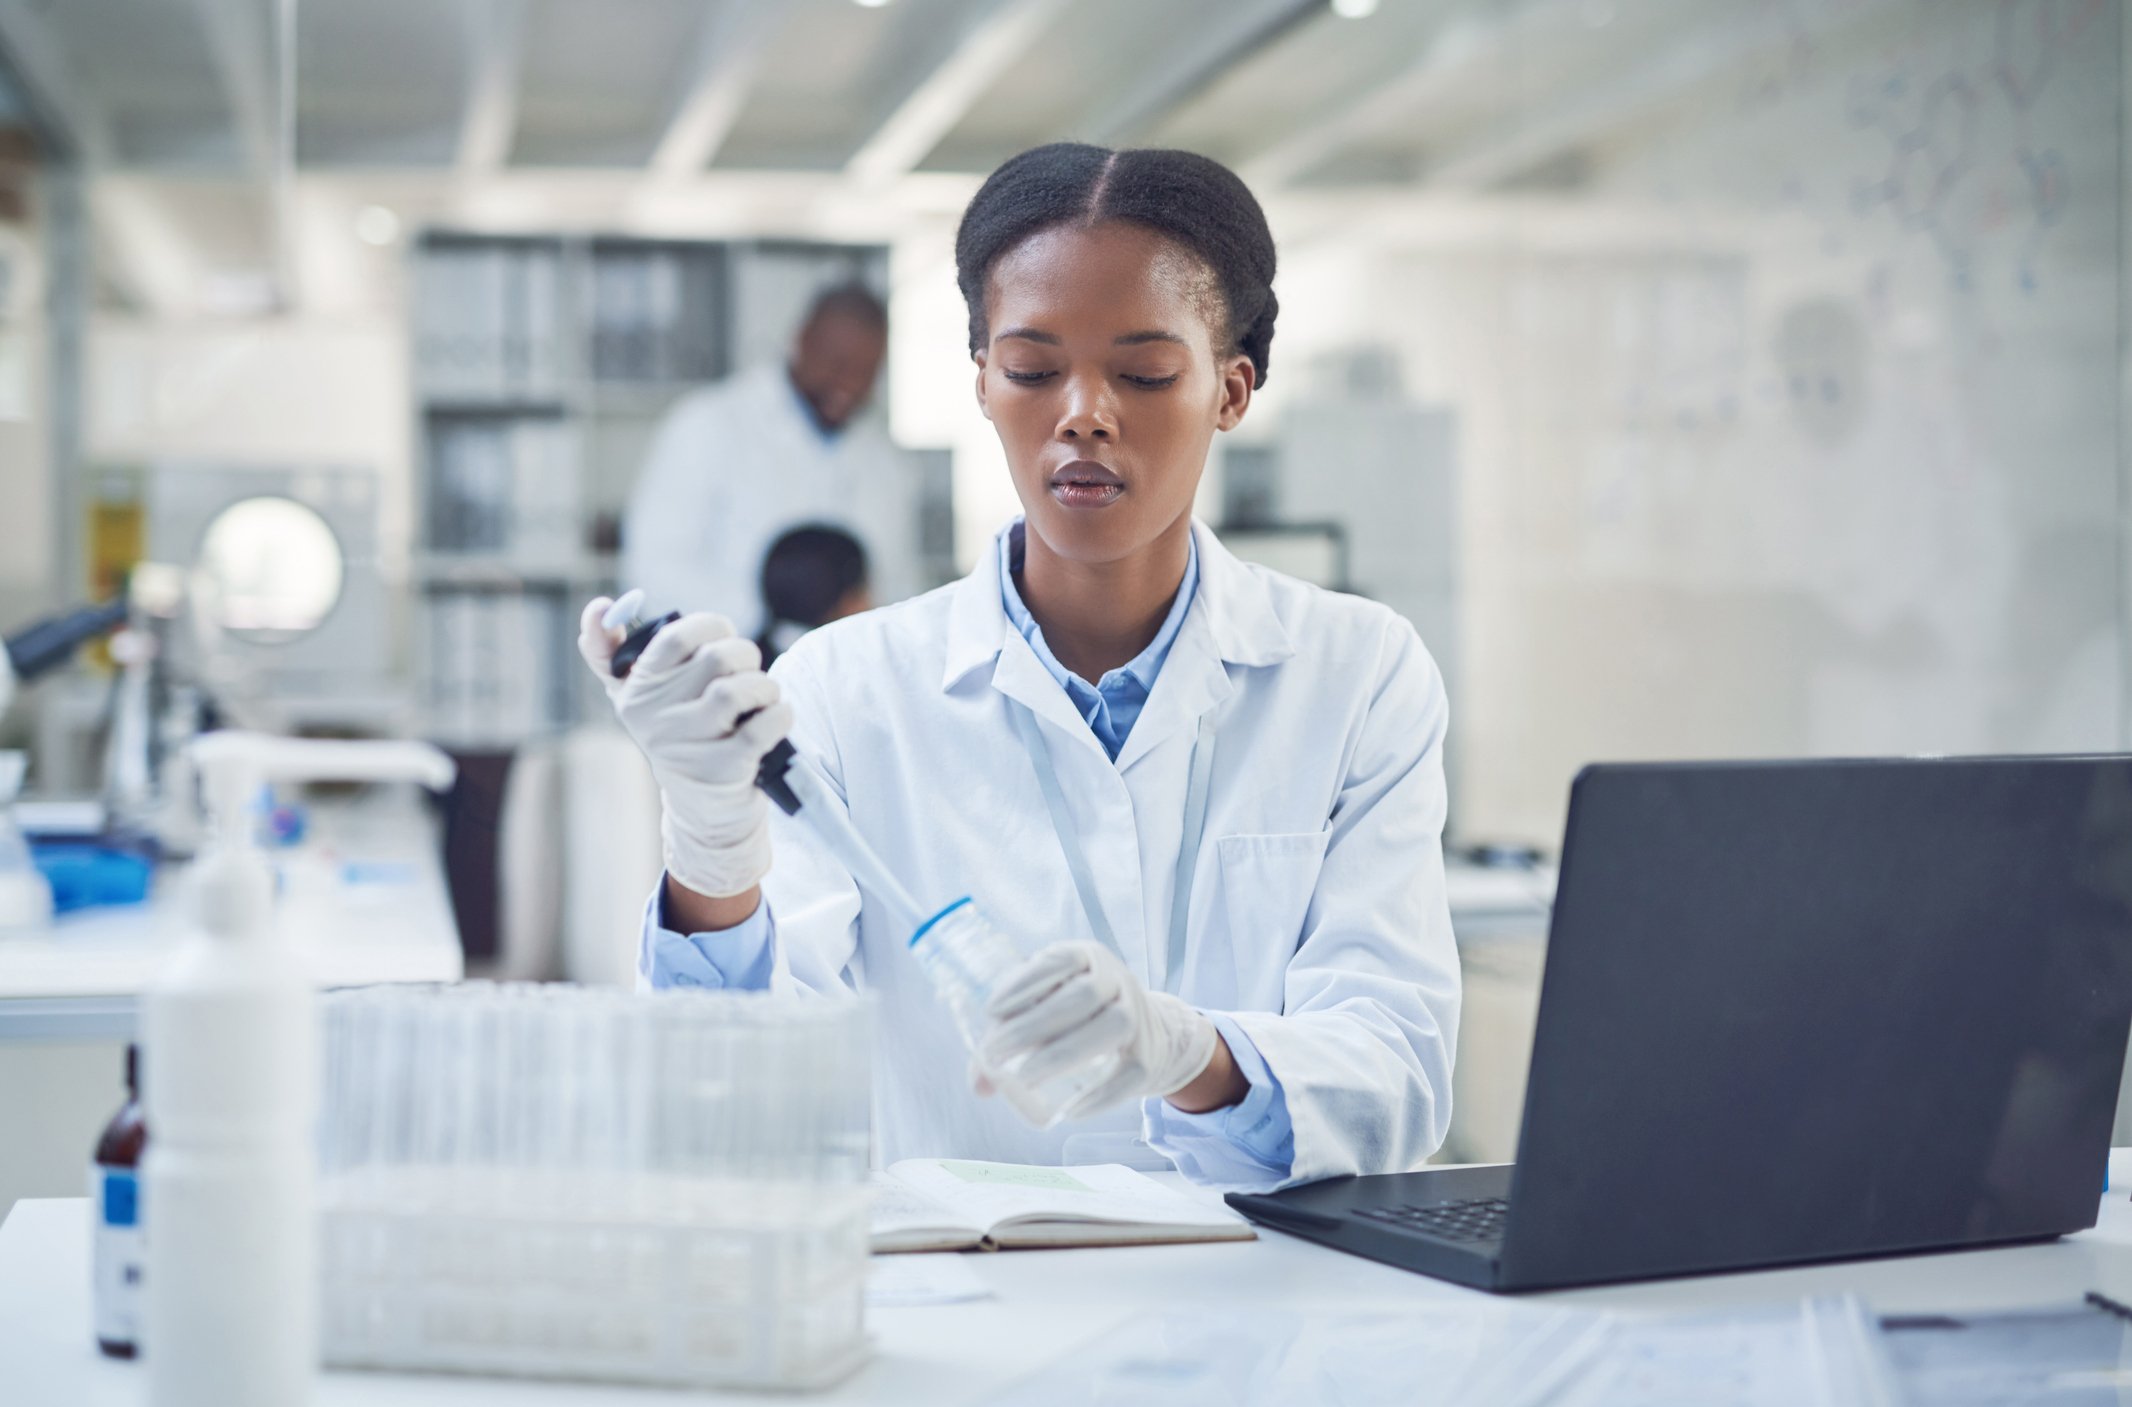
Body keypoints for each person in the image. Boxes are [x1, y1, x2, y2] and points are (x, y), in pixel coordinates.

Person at [579, 143, 1458, 1191]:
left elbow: (1395, 1075)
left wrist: (1192, 1055)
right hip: (965, 1317)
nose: (1081, 412)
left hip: (1264, 1307)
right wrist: (714, 852)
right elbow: (724, 1096)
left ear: (1230, 390)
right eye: (1033, 370)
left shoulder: (1358, 674)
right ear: (985, 388)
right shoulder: (847, 686)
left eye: (1142, 372)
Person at [620, 282, 916, 633]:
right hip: (729, 668)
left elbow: (899, 583)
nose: (849, 384)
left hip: (848, 672)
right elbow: (654, 569)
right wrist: (776, 622)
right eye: (837, 364)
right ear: (801, 341)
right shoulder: (707, 424)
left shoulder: (884, 460)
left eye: (866, 373)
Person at [754, 525, 872, 669]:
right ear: (847, 601)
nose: (872, 604)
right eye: (864, 590)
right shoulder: (853, 670)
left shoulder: (746, 663)